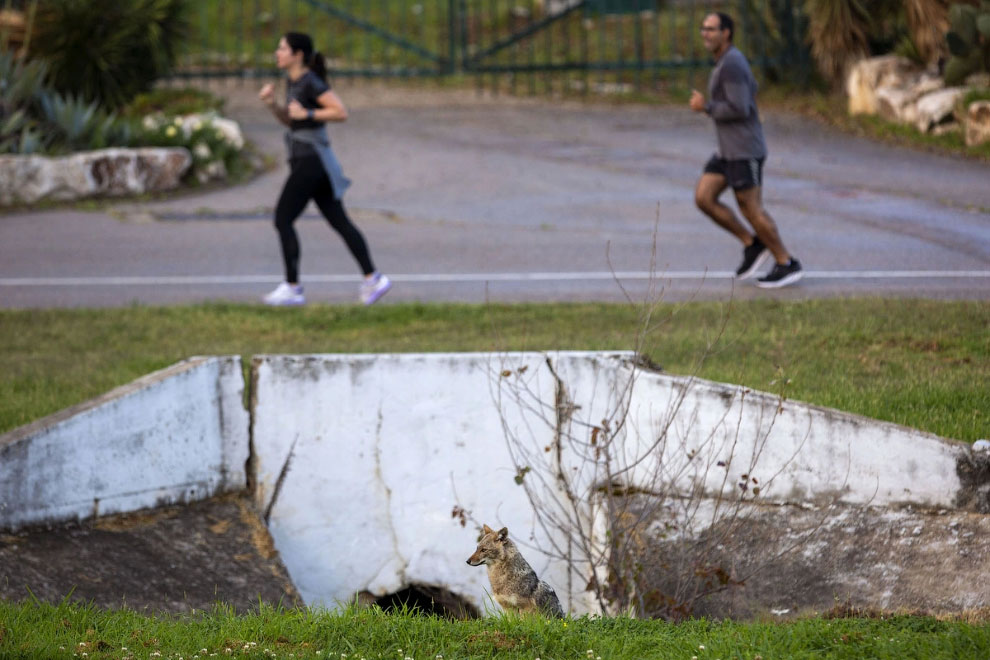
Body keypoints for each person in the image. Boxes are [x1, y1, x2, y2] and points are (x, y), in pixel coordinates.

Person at [259, 32, 391, 306]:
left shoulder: (310, 82)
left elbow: (340, 112)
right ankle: (373, 278)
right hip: (310, 162)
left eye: (282, 48)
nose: (277, 53)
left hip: (311, 162)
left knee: (283, 220)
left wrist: (308, 114)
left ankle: (292, 288)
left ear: (297, 54)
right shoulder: (293, 82)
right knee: (339, 221)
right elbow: (292, 122)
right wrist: (273, 105)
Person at [689, 12, 803, 288]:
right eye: (703, 28)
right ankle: (752, 244)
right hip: (727, 151)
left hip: (745, 151)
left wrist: (706, 107)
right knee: (704, 197)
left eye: (711, 29)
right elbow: (751, 90)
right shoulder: (725, 62)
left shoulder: (732, 64)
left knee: (751, 209)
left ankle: (786, 262)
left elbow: (740, 107)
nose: (705, 33)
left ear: (726, 32)